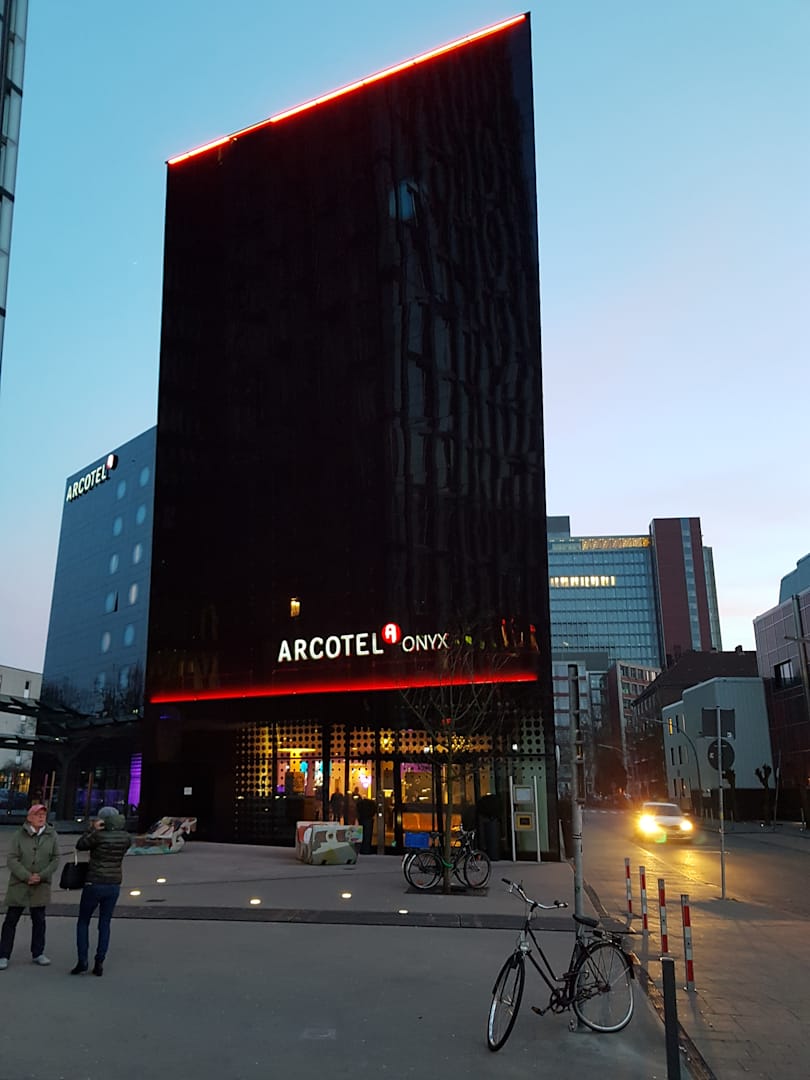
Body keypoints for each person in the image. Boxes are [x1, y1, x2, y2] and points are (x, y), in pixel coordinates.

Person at [0, 803, 60, 970]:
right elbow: (12, 859)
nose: (41, 818)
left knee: (39, 920)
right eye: (37, 815)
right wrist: (27, 876)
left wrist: (42, 875)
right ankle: (3, 955)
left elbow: (56, 858)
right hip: (20, 884)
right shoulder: (19, 835)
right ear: (29, 818)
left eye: (43, 815)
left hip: (41, 884)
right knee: (11, 920)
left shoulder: (51, 835)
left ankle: (38, 953)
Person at [71, 810, 131, 976]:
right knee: (105, 923)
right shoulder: (126, 838)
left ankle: (82, 960)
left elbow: (80, 845)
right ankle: (100, 961)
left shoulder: (98, 836)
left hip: (94, 882)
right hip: (113, 883)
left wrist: (92, 829)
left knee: (83, 921)